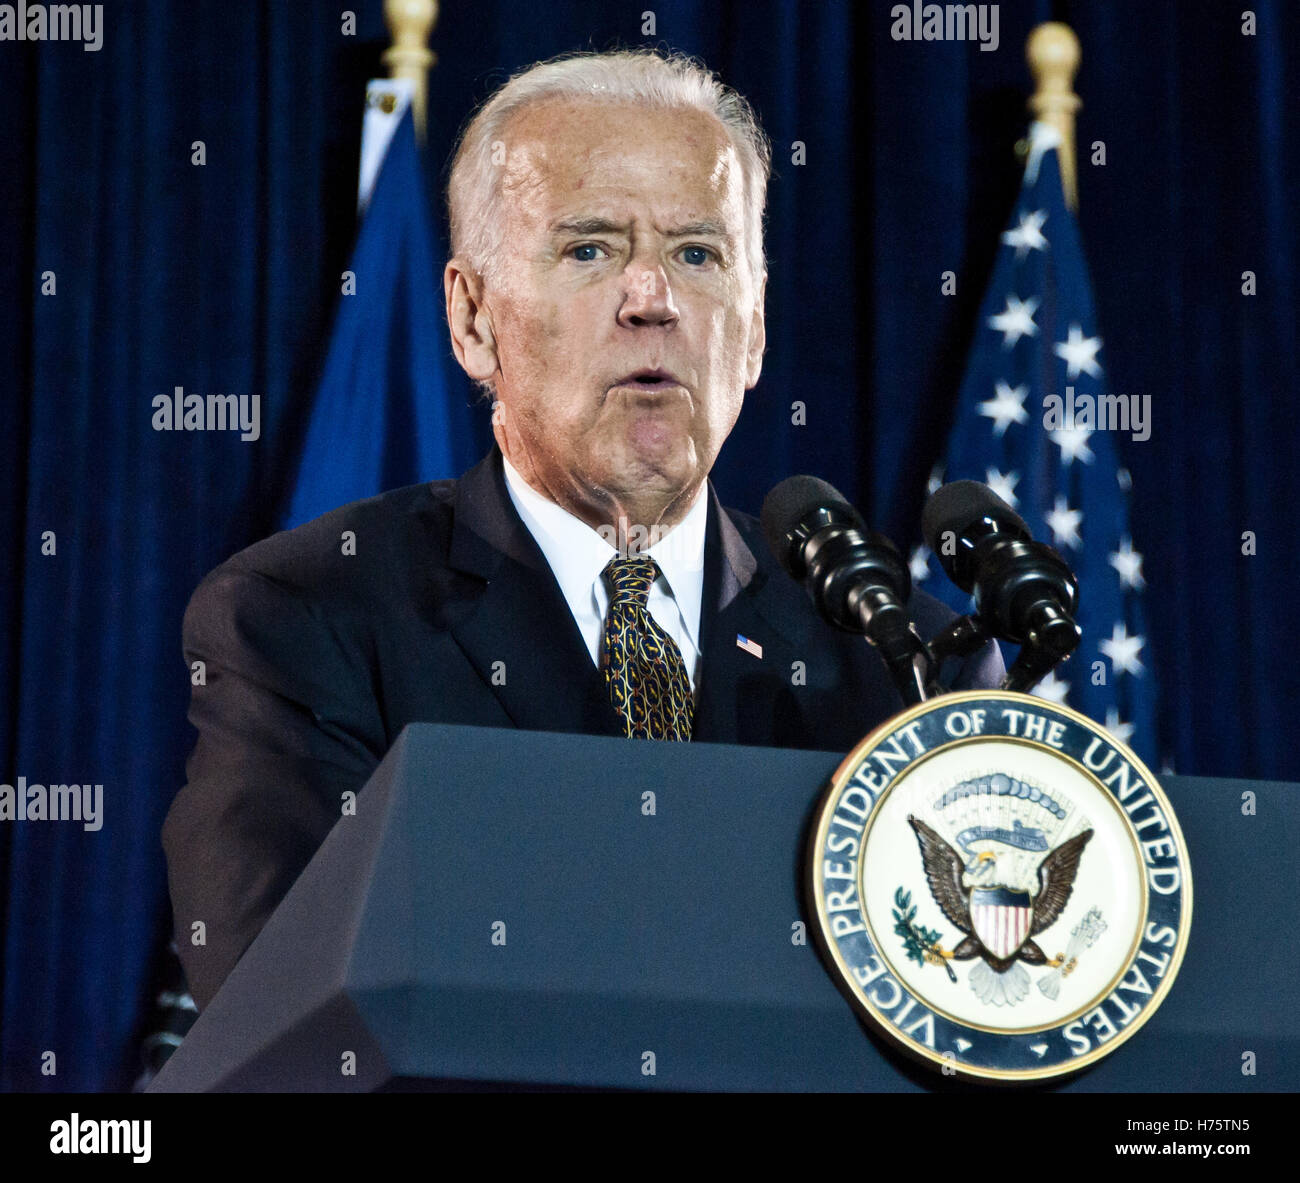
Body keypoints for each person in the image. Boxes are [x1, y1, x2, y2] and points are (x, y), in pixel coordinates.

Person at [162, 48, 1003, 1012]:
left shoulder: (905, 666)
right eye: (590, 248)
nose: (653, 300)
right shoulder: (308, 623)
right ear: (472, 319)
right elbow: (286, 1013)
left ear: (756, 326)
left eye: (697, 253)